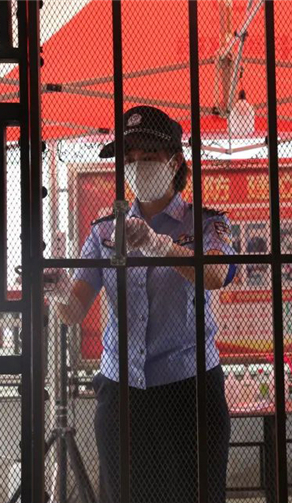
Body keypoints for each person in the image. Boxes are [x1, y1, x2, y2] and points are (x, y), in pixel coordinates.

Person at [52, 106, 237, 503]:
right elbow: (73, 310)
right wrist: (55, 287)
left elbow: (217, 274)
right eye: (130, 158)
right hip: (121, 395)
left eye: (148, 156)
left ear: (175, 162)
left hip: (189, 391)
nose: (137, 166)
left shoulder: (206, 223)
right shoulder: (104, 231)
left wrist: (158, 245)